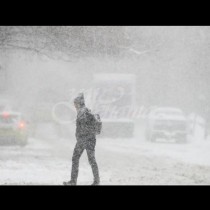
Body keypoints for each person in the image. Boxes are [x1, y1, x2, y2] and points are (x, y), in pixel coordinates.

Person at [63, 93, 100, 185]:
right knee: (91, 160)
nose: (74, 105)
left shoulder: (83, 112)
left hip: (84, 139)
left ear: (79, 103)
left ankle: (73, 181)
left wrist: (80, 136)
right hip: (89, 139)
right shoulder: (85, 111)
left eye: (75, 103)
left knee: (76, 158)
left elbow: (83, 127)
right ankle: (96, 180)